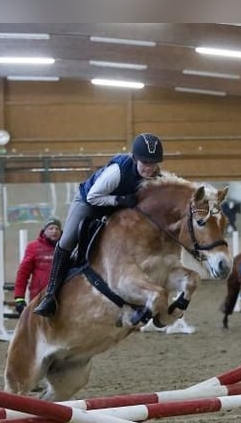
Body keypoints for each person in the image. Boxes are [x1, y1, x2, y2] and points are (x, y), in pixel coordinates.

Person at [33, 133, 165, 317]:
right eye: (145, 162)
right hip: (90, 202)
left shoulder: (157, 177)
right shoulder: (118, 171)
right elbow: (93, 197)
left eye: (153, 163)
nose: (149, 168)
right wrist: (118, 199)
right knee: (67, 240)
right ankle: (51, 296)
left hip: (118, 208)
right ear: (135, 159)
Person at [13, 217, 62, 315]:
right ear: (44, 231)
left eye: (57, 229)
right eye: (51, 228)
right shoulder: (33, 247)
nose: (54, 231)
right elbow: (23, 273)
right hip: (39, 298)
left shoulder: (67, 247)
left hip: (63, 297)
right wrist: (19, 298)